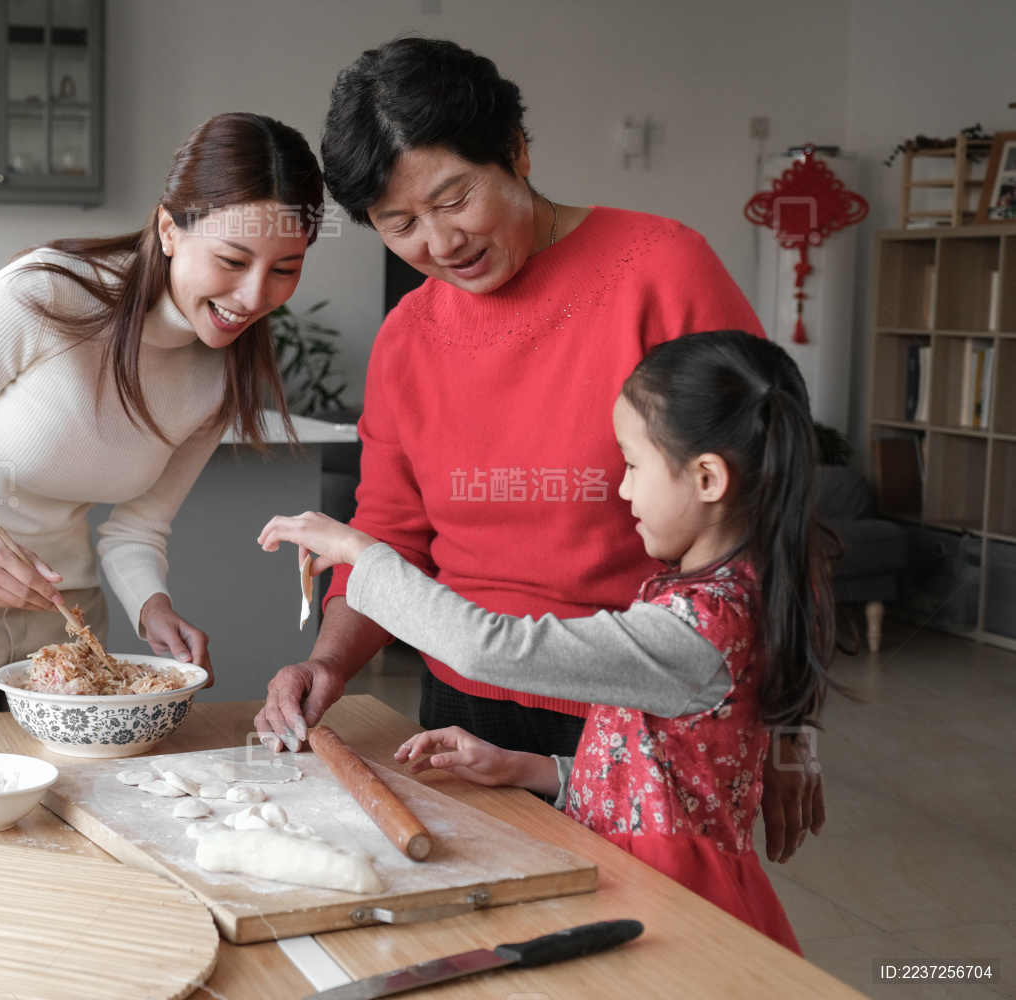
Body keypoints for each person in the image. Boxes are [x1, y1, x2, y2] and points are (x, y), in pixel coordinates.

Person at [253, 37, 825, 863]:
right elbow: (389, 527)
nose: (439, 243)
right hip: (461, 713)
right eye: (399, 224)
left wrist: (790, 724)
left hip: (636, 706)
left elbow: (775, 496)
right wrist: (328, 664)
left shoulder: (662, 270)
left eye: (454, 199)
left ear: (517, 153)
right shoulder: (408, 337)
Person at [260, 331, 842, 953]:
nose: (621, 491)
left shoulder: (697, 630)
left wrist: (361, 553)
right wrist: (529, 769)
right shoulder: (720, 594)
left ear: (706, 478)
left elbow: (492, 648)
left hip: (670, 904)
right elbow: (659, 781)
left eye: (633, 464)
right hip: (629, 870)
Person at [0, 112, 325, 717]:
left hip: (62, 608)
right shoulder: (44, 294)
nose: (255, 297)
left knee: (65, 799)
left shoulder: (221, 372)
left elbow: (136, 528)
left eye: (285, 269)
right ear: (170, 229)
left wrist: (153, 607)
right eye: (232, 261)